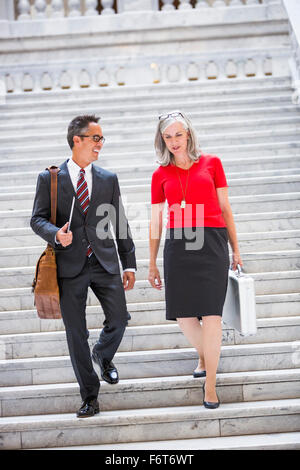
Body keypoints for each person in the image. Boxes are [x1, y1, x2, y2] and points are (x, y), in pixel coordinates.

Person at [31, 115, 136, 418]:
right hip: (68, 265)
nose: (100, 144)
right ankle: (90, 396)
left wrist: (129, 263)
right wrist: (55, 235)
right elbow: (36, 218)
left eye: (102, 139)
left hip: (104, 261)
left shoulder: (107, 178)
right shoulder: (50, 178)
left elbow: (119, 222)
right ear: (77, 140)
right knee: (76, 333)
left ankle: (102, 356)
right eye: (96, 138)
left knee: (119, 318)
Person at [148, 110, 243, 409]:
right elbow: (155, 221)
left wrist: (236, 249)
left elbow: (226, 208)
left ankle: (210, 383)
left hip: (212, 240)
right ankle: (206, 354)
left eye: (178, 134)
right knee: (184, 315)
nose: (174, 141)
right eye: (168, 137)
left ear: (188, 133)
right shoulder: (160, 174)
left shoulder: (212, 163)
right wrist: (151, 262)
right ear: (161, 140)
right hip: (178, 243)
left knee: (212, 315)